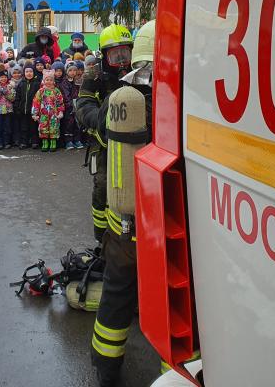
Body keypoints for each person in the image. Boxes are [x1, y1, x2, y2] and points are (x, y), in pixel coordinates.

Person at [90, 20, 155, 387]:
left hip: (124, 223)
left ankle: (106, 367)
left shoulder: (122, 96)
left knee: (116, 295)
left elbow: (98, 127)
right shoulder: (183, 95)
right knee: (172, 302)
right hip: (167, 222)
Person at [76, 24, 135, 242]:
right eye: (115, 55)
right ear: (104, 55)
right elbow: (83, 107)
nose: (121, 61)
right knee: (103, 187)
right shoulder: (94, 76)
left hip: (136, 141)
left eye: (125, 53)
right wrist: (101, 121)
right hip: (104, 144)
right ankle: (102, 238)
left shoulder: (139, 73)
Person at [31, 68, 64, 152]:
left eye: (50, 80)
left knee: (54, 128)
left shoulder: (56, 91)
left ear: (53, 81)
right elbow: (36, 102)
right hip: (43, 114)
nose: (49, 82)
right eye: (47, 80)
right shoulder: (41, 91)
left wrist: (60, 111)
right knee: (43, 128)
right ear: (44, 81)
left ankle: (53, 143)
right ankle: (45, 143)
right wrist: (35, 113)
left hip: (54, 114)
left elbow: (60, 102)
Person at [14, 63, 41, 149]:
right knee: (24, 128)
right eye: (27, 71)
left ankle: (34, 142)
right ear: (24, 73)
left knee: (34, 127)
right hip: (23, 110)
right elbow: (17, 97)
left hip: (34, 111)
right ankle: (24, 142)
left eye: (31, 71)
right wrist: (17, 108)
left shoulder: (37, 83)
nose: (29, 73)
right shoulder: (21, 83)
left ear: (34, 72)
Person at [60, 61, 84, 149]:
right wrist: (70, 104)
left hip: (78, 104)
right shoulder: (64, 82)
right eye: (70, 70)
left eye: (74, 70)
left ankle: (77, 140)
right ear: (66, 71)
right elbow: (66, 95)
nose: (73, 72)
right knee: (68, 124)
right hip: (69, 106)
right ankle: (68, 141)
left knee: (77, 123)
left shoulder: (78, 81)